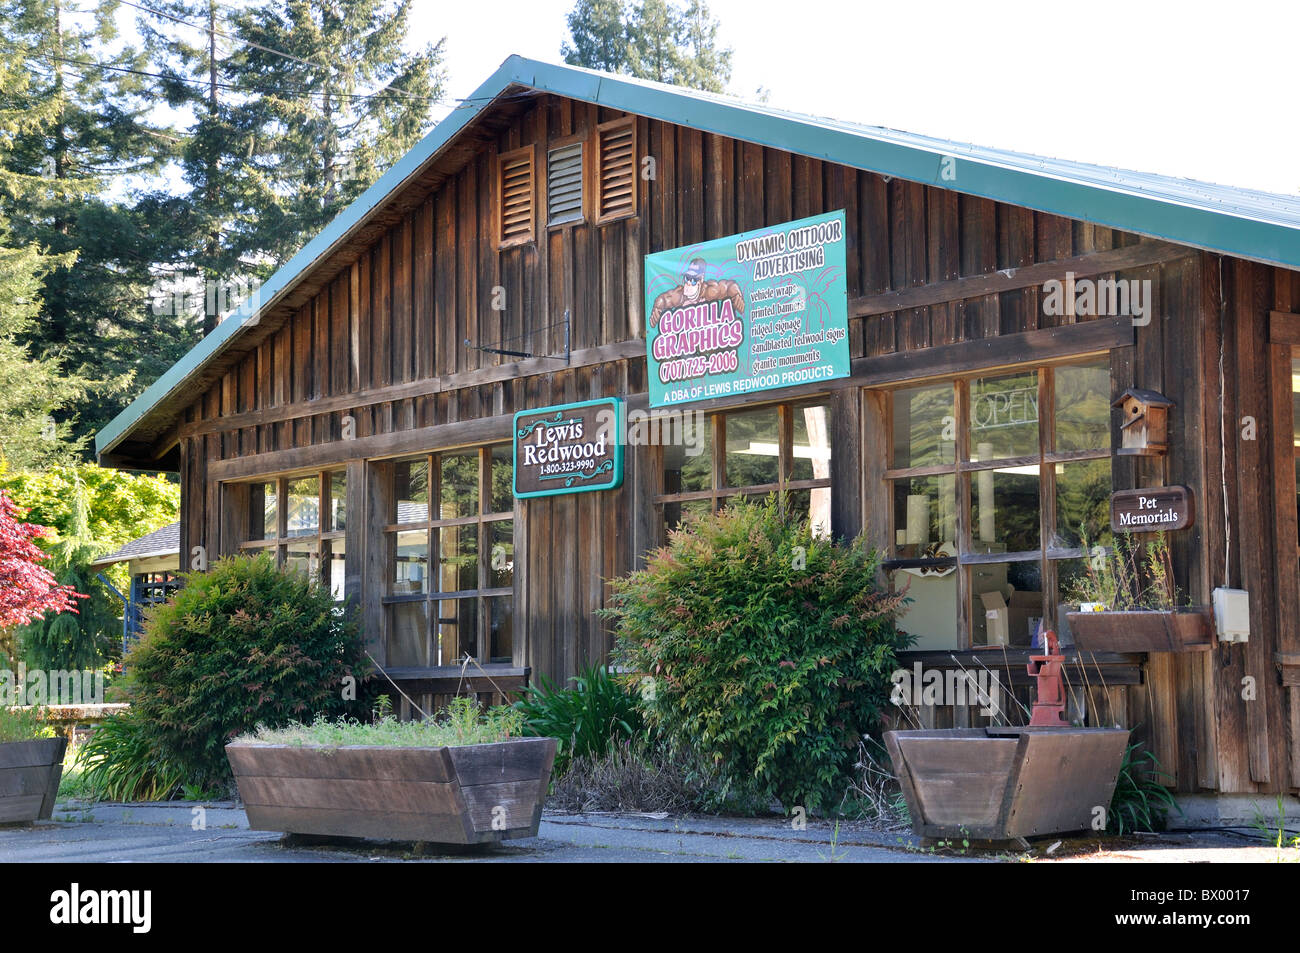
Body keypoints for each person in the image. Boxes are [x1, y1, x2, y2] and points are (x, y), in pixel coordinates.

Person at [648, 257, 745, 329]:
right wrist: (657, 308)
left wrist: (737, 295)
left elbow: (728, 286)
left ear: (701, 279)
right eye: (687, 278)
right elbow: (664, 298)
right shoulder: (680, 294)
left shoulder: (709, 291)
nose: (689, 283)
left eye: (693, 279)